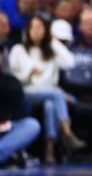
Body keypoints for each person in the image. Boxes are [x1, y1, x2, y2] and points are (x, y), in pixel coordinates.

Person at [8, 16, 86, 164]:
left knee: (50, 105)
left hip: (49, 95)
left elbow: (70, 63)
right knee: (57, 93)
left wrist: (54, 41)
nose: (36, 31)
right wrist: (28, 75)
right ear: (28, 30)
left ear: (46, 31)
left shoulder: (51, 51)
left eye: (40, 28)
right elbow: (12, 79)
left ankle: (49, 150)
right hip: (27, 92)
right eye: (33, 27)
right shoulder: (18, 50)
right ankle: (67, 133)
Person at [0, 72, 40, 169]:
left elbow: (18, 93)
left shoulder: (7, 79)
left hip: (4, 127)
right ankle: (10, 157)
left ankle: (6, 156)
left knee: (31, 125)